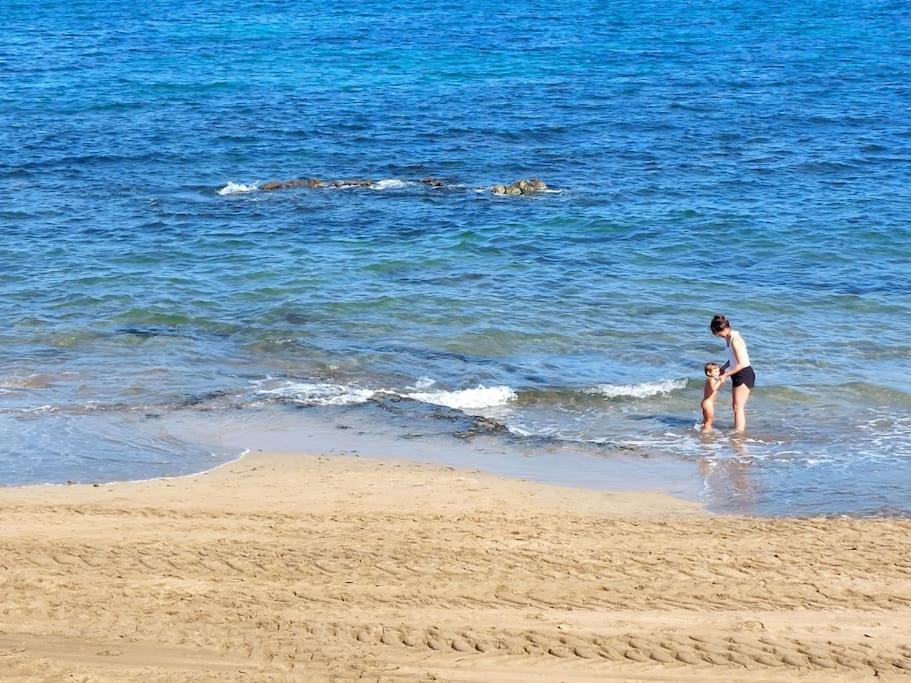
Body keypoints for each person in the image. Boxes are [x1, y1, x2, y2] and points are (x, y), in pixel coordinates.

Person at [710, 314, 755, 432]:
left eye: (716, 333)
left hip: (744, 373)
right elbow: (733, 358)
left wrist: (726, 375)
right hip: (737, 372)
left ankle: (739, 434)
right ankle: (737, 429)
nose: (717, 336)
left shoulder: (735, 340)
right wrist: (723, 368)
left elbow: (741, 363)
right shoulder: (729, 338)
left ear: (721, 329)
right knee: (735, 406)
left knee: (738, 407)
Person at [700, 361, 725, 433]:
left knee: (706, 421)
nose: (718, 373)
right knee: (709, 422)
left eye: (718, 371)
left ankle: (702, 432)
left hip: (705, 402)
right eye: (715, 371)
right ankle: (706, 436)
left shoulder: (711, 379)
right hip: (708, 404)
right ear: (709, 373)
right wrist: (720, 381)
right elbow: (714, 388)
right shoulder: (711, 379)